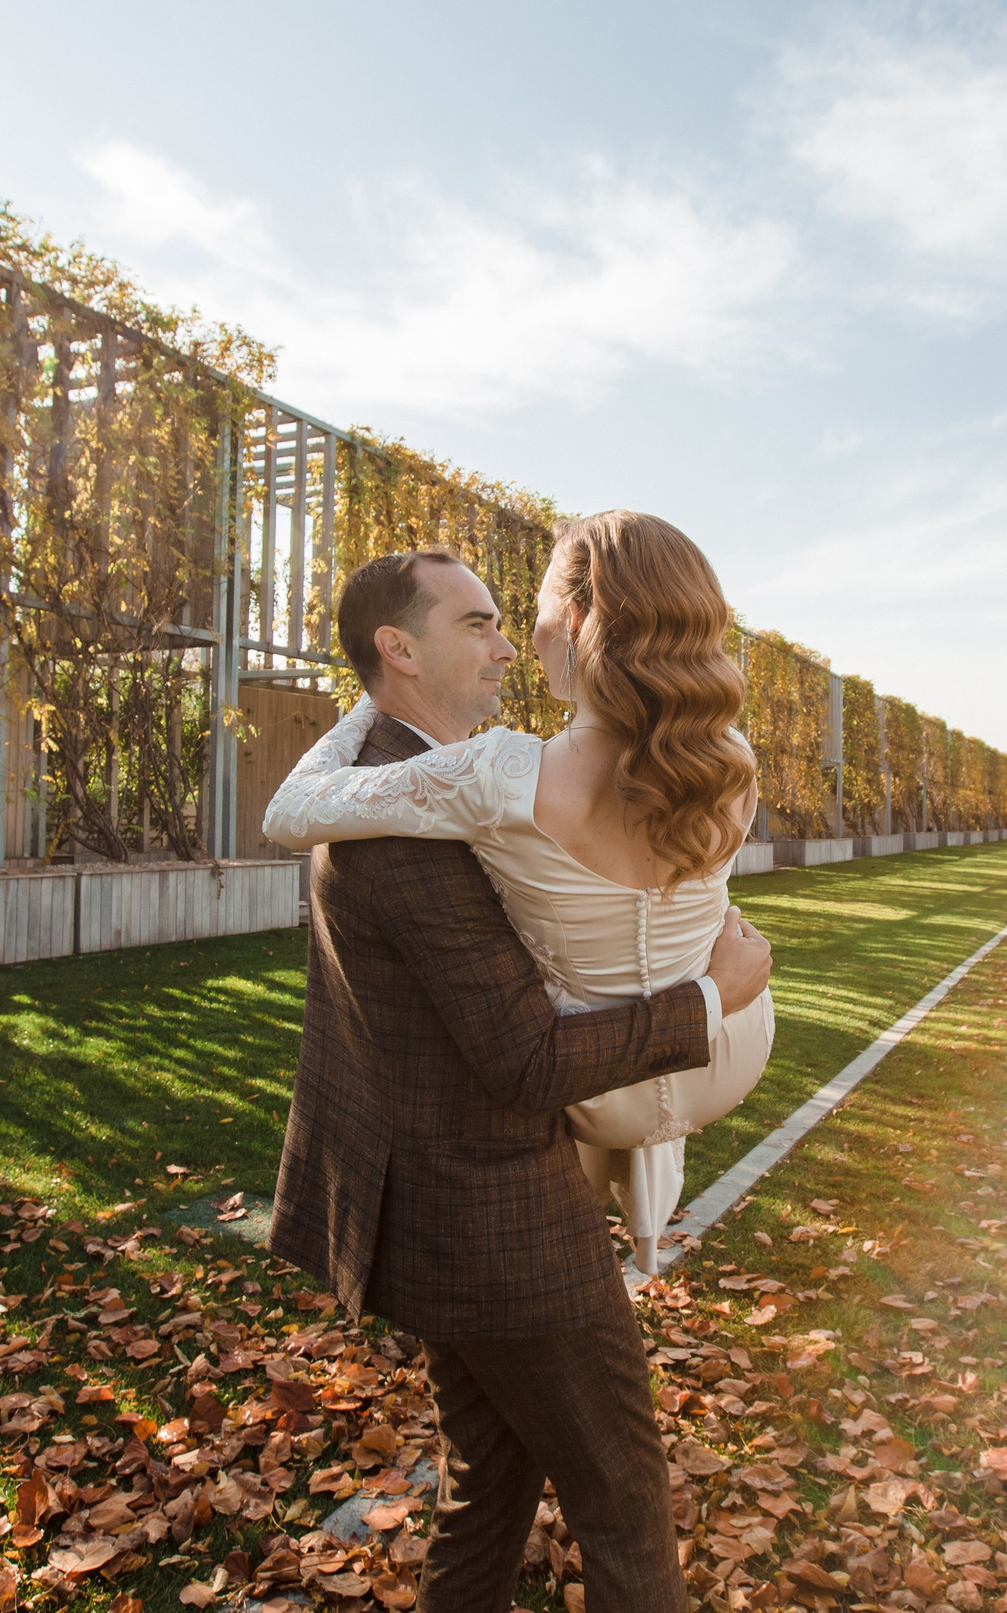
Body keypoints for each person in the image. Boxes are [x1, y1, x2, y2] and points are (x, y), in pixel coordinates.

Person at [267, 528, 772, 1613]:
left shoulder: (423, 777)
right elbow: (526, 1055)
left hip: (450, 1200)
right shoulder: (403, 812)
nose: (506, 645)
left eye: (511, 619)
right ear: (400, 650)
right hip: (492, 1215)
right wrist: (706, 998)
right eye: (478, 623)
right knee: (624, 1503)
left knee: (489, 1480)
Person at [265, 512, 774, 1274]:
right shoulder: (730, 760)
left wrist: (372, 698)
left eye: (531, 612)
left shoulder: (500, 775)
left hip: (601, 1091)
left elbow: (288, 811)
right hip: (731, 1046)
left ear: (576, 619)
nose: (520, 641)